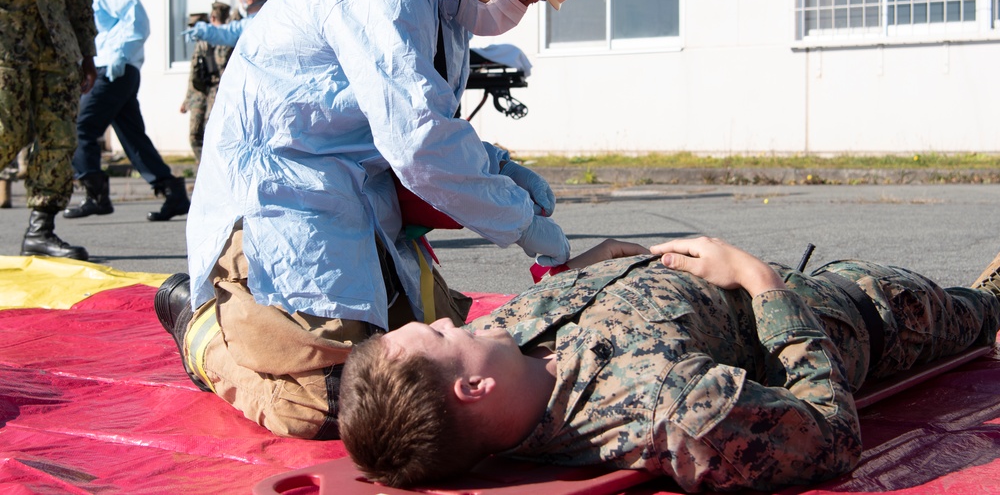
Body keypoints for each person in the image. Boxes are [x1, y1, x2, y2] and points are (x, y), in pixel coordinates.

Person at [154, 0, 595, 439]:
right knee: (332, 405)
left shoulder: (443, 7)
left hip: (355, 198)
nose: (523, 7)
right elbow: (418, 144)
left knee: (424, 376)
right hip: (285, 202)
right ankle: (202, 329)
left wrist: (498, 167)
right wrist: (519, 223)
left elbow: (427, 124)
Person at [338, 236, 1000, 492]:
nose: (456, 318)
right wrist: (761, 281)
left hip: (814, 279)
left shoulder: (506, 343)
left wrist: (606, 265)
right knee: (988, 307)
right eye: (441, 331)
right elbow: (831, 433)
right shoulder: (663, 406)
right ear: (472, 386)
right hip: (877, 312)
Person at [0, 0, 97, 260]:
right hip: (6, 44)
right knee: (6, 132)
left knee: (58, 140)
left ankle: (41, 229)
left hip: (57, 49)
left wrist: (87, 54)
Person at [63, 0, 190, 222]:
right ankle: (173, 192)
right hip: (112, 70)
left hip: (114, 68)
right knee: (132, 137)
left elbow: (138, 21)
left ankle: (96, 194)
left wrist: (120, 55)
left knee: (79, 127)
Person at [179, 2, 233, 163]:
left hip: (219, 89)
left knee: (212, 129)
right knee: (195, 133)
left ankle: (215, 170)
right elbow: (194, 72)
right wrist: (187, 99)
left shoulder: (228, 39)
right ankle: (202, 168)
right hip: (201, 90)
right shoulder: (202, 43)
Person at [182, 0, 272, 48]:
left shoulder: (250, 25)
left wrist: (203, 31)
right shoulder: (274, 19)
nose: (240, 2)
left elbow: (226, 33)